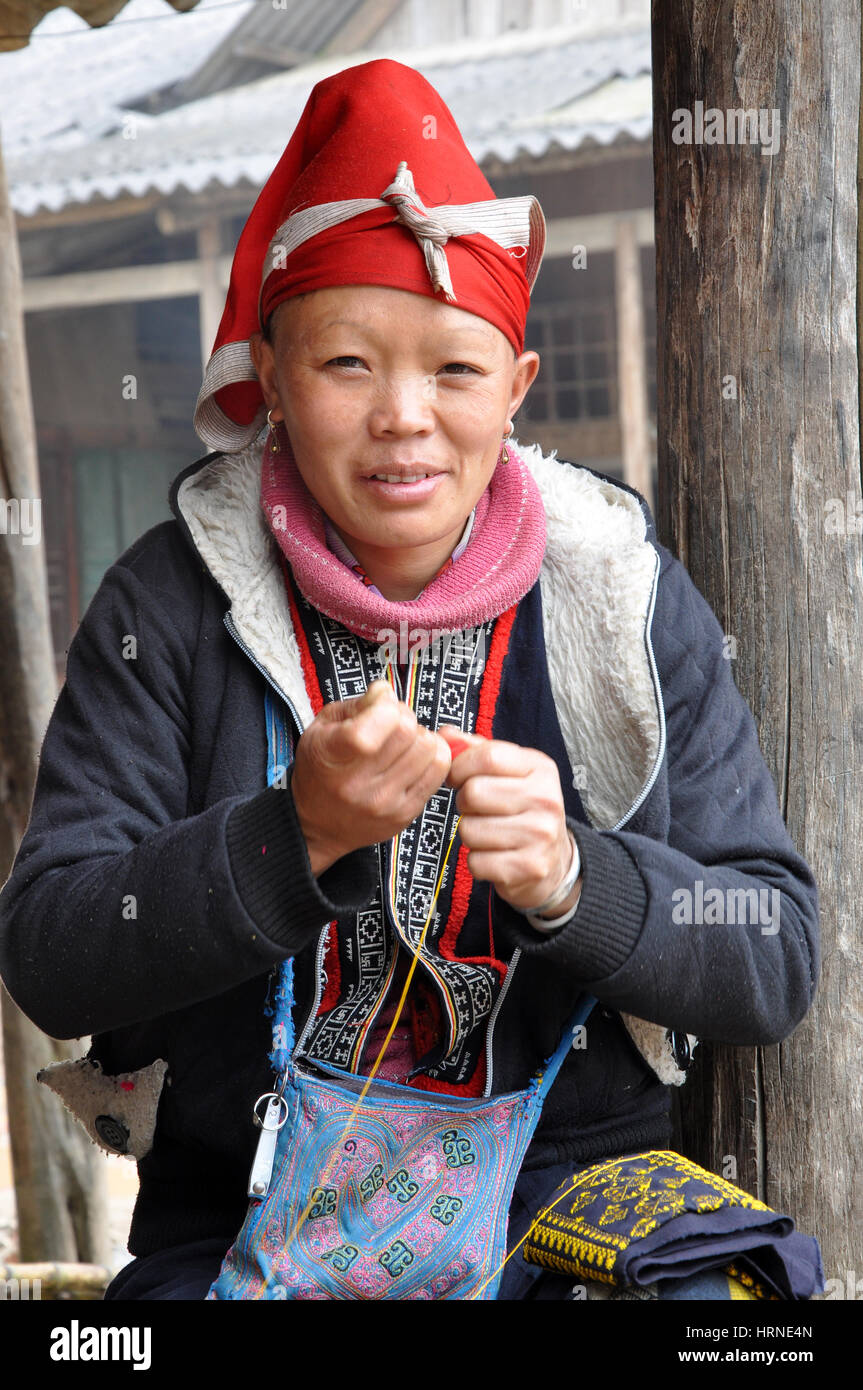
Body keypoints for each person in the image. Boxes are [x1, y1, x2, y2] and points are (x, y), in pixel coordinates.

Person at [0, 59, 819, 1301]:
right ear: (270, 376)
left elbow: (770, 948)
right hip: (242, 1214)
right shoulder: (170, 601)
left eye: (452, 369)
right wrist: (292, 838)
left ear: (516, 389)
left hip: (567, 1213)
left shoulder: (618, 593)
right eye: (344, 366)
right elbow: (52, 950)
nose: (402, 417)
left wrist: (575, 879)